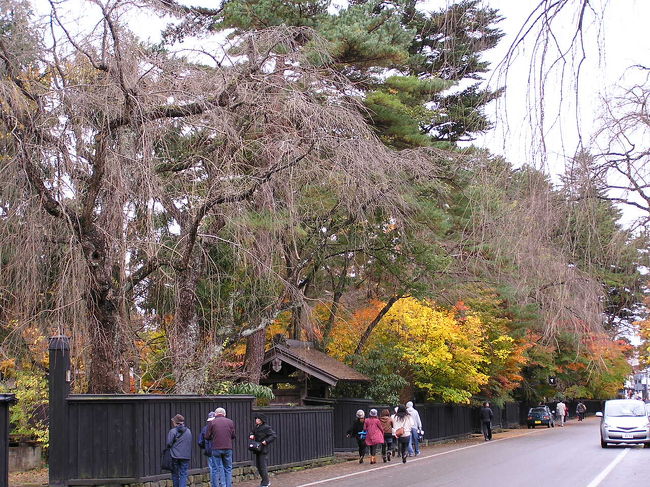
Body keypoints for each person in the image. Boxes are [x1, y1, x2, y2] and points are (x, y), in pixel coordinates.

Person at [205, 407, 236, 487]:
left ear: (215, 414)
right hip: (228, 448)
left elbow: (207, 436)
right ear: (224, 414)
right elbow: (233, 436)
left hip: (216, 448)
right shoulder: (230, 422)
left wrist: (214, 437)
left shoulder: (212, 422)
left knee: (215, 469)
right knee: (228, 469)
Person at [249, 412, 276, 487]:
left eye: (258, 418)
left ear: (261, 420)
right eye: (256, 418)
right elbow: (252, 431)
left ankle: (266, 483)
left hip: (263, 449)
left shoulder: (266, 427)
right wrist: (251, 434)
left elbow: (273, 435)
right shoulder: (256, 426)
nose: (256, 420)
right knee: (258, 466)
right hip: (257, 448)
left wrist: (266, 441)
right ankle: (264, 481)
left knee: (262, 466)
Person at [167, 414, 192, 487]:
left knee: (175, 474)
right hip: (186, 456)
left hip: (174, 456)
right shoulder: (188, 431)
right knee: (183, 474)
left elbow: (169, 443)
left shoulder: (173, 431)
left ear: (175, 422)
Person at [198, 412, 216, 486]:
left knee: (212, 469)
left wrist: (205, 447)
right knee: (220, 467)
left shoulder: (205, 429)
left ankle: (214, 484)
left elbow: (200, 441)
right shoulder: (219, 427)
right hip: (219, 449)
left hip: (209, 451)